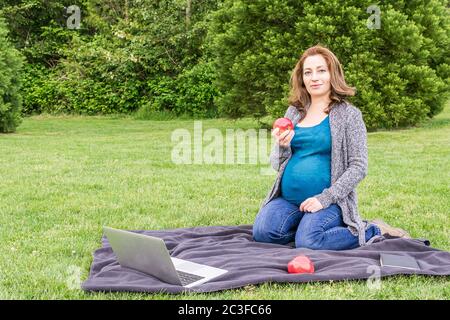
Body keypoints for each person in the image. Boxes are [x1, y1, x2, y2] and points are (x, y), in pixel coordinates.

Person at [253, 44, 411, 250]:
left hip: (329, 202)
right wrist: (281, 145)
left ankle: (373, 229)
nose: (314, 77)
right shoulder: (293, 112)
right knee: (263, 232)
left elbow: (358, 166)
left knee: (309, 241)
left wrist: (324, 198)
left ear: (332, 74)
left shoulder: (349, 115)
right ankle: (306, 228)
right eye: (308, 72)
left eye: (321, 70)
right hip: (289, 200)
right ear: (302, 78)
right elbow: (277, 165)